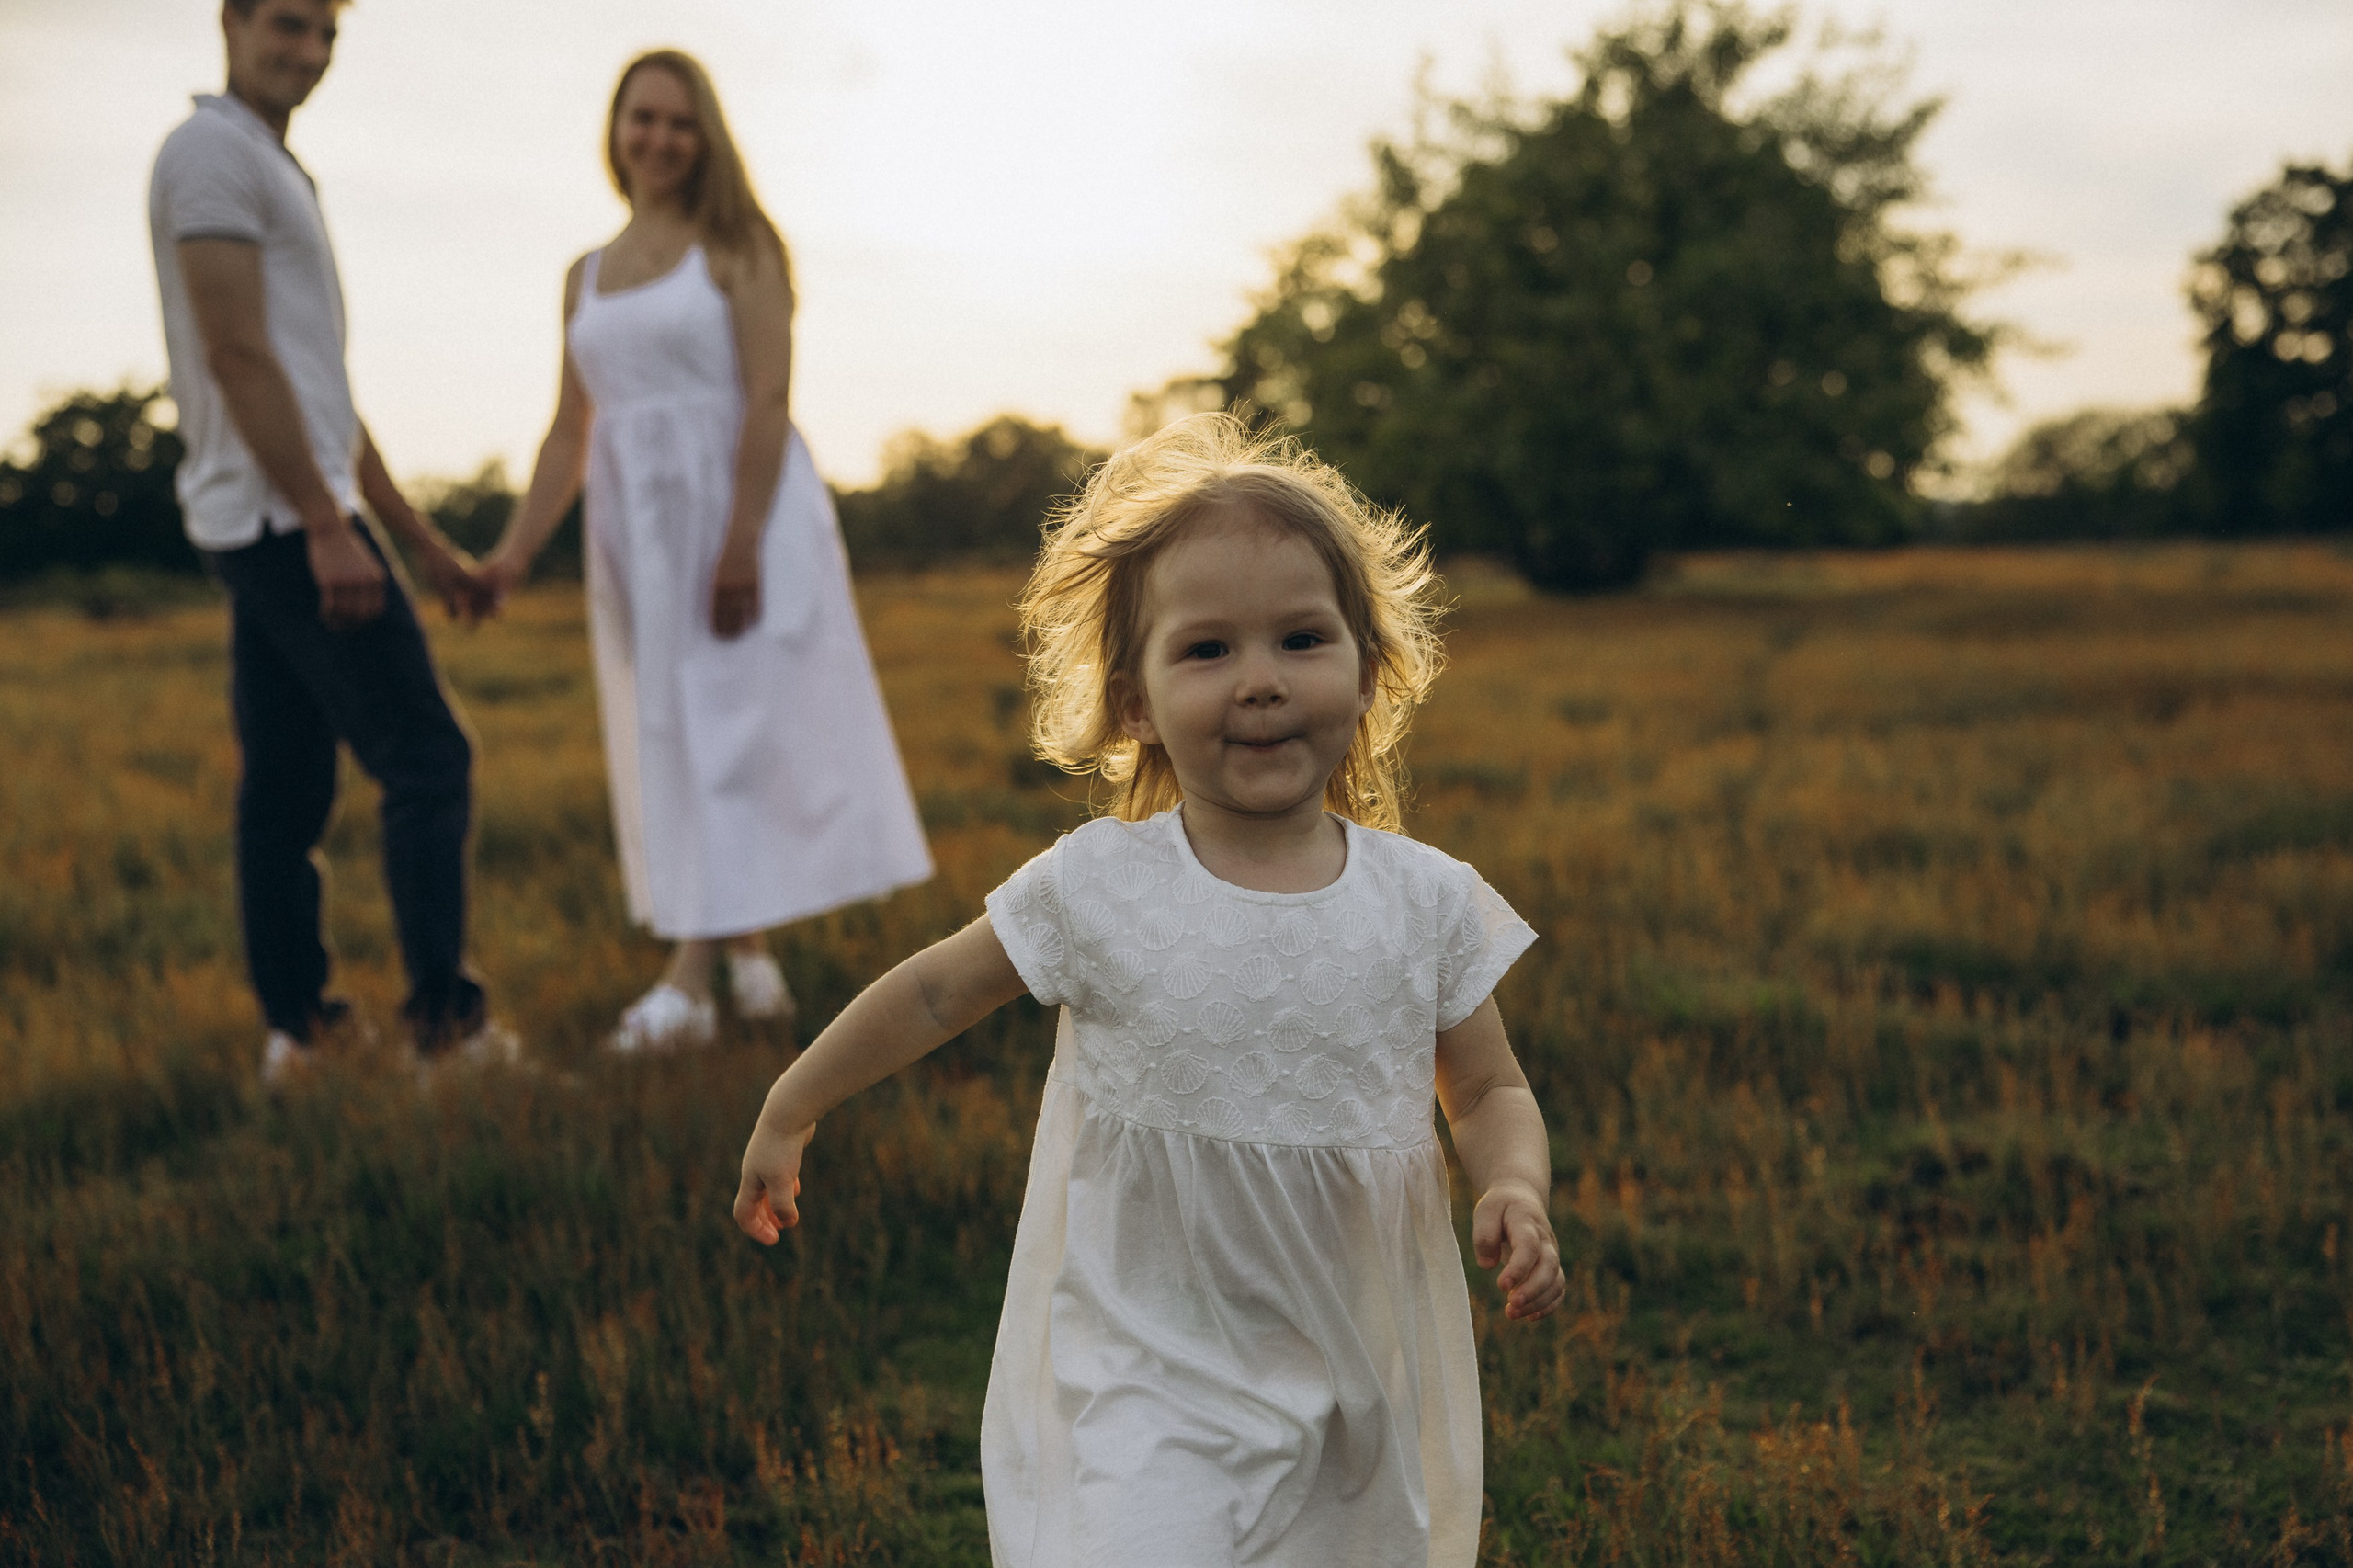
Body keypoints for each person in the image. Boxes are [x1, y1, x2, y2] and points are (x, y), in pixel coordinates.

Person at [734, 415, 1566, 1566]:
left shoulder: (1423, 899)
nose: (1261, 681)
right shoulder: (1101, 883)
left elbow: (1484, 1087)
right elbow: (933, 993)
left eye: (1300, 638)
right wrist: (793, 1102)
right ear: (1135, 703)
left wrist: (1513, 1184)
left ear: (1369, 669)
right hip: (1148, 1360)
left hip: (1354, 1359)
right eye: (1207, 650)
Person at [482, 51, 931, 1053]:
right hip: (637, 531)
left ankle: (688, 982)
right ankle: (749, 951)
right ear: (616, 129)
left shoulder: (737, 246)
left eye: (680, 123)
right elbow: (569, 431)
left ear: (707, 135)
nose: (660, 139)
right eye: (642, 119)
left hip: (742, 515)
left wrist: (737, 544)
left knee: (730, 728)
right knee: (677, 732)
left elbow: (769, 398)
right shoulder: (582, 277)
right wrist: (512, 554)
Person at [147, 0, 512, 1084]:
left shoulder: (266, 163)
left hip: (284, 513)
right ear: (234, 20)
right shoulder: (211, 153)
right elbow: (236, 356)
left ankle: (297, 1032)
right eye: (288, 26)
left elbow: (324, 401)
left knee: (288, 781)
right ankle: (448, 1035)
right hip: (279, 519)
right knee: (428, 760)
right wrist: (321, 523)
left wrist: (425, 546)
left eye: (325, 37)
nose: (305, 54)